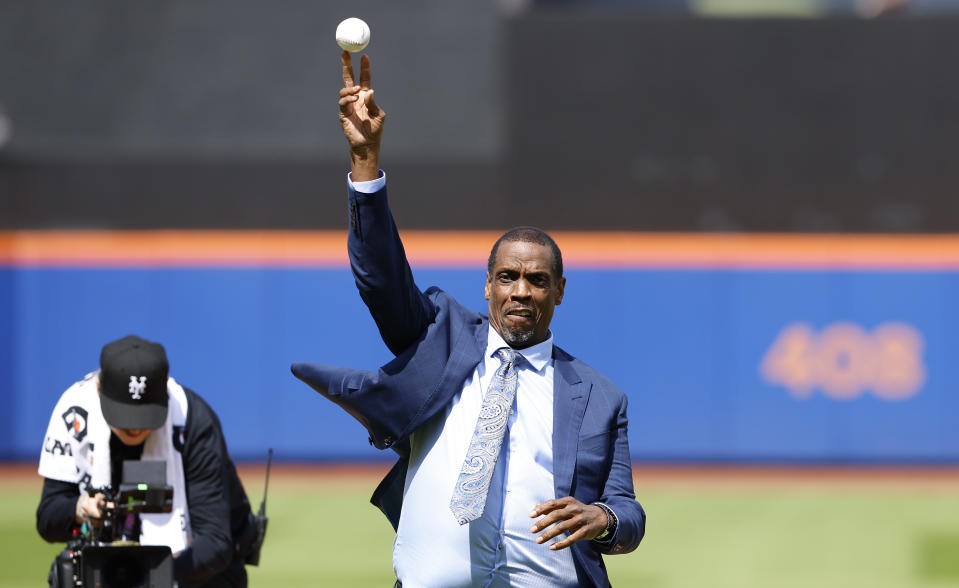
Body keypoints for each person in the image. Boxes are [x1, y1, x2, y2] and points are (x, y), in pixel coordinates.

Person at [291, 52, 645, 588]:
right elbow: (381, 280)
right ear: (487, 285)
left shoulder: (600, 397)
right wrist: (365, 162)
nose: (521, 291)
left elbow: (628, 515)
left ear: (559, 292)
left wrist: (605, 520)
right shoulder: (441, 340)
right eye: (507, 277)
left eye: (537, 280)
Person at [37, 335, 258, 587]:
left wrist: (148, 575)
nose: (136, 428)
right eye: (125, 416)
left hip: (190, 571)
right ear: (99, 390)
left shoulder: (192, 420)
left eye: (145, 415)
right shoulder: (74, 414)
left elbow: (215, 543)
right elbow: (47, 520)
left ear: (164, 393)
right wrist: (81, 509)